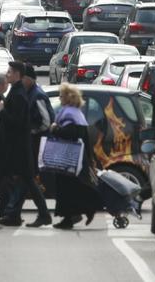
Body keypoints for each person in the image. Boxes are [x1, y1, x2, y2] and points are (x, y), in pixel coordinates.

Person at [0, 62, 51, 228]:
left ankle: (41, 214)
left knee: (27, 179)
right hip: (25, 144)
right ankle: (14, 214)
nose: (7, 74)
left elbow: (45, 121)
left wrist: (30, 131)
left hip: (33, 144)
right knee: (24, 180)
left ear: (26, 78)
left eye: (10, 72)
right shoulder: (25, 92)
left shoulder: (36, 94)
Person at [50, 84, 103, 229]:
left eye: (61, 95)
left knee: (66, 189)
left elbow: (71, 134)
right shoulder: (76, 113)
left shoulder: (69, 114)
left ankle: (72, 217)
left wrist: (55, 129)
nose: (59, 98)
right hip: (76, 157)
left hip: (69, 157)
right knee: (74, 188)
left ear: (68, 98)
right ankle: (74, 215)